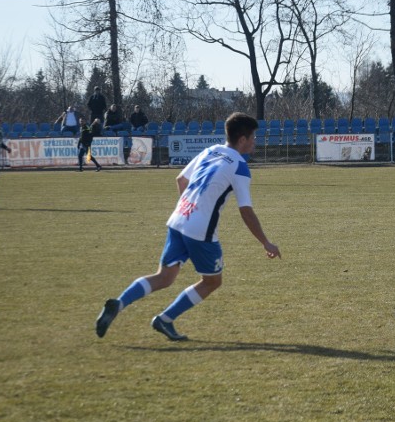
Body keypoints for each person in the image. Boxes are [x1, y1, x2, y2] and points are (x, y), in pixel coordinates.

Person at [95, 112, 281, 341]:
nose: (255, 141)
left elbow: (181, 180)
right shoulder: (240, 167)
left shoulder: (209, 151)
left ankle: (120, 302)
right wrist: (266, 242)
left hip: (178, 220)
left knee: (164, 277)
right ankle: (165, 319)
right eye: (253, 137)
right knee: (212, 281)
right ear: (242, 139)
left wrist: (190, 209)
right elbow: (246, 210)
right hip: (200, 231)